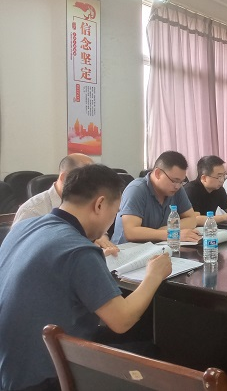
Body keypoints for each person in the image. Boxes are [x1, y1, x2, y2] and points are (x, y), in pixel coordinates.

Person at [0, 164, 172, 391]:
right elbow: (122, 321)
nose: (113, 219)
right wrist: (154, 275)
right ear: (99, 204)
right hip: (42, 379)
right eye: (115, 211)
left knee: (141, 334)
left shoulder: (24, 226)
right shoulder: (78, 250)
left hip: (9, 367)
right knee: (154, 350)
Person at [13, 153, 118, 255]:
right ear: (64, 178)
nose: (93, 186)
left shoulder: (88, 203)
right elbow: (22, 254)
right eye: (86, 180)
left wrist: (100, 237)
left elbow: (99, 232)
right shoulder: (32, 210)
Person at [111, 151, 199, 244]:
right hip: (128, 249)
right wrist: (172, 234)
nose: (177, 186)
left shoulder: (177, 190)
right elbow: (131, 232)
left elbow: (192, 219)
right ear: (158, 173)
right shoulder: (136, 189)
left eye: (181, 182)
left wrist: (165, 230)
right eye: (174, 180)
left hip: (158, 246)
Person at [184, 155, 227, 225]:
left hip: (211, 228)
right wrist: (225, 217)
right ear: (204, 178)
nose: (222, 180)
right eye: (219, 176)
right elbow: (194, 219)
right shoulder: (190, 191)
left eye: (224, 175)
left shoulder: (219, 189)